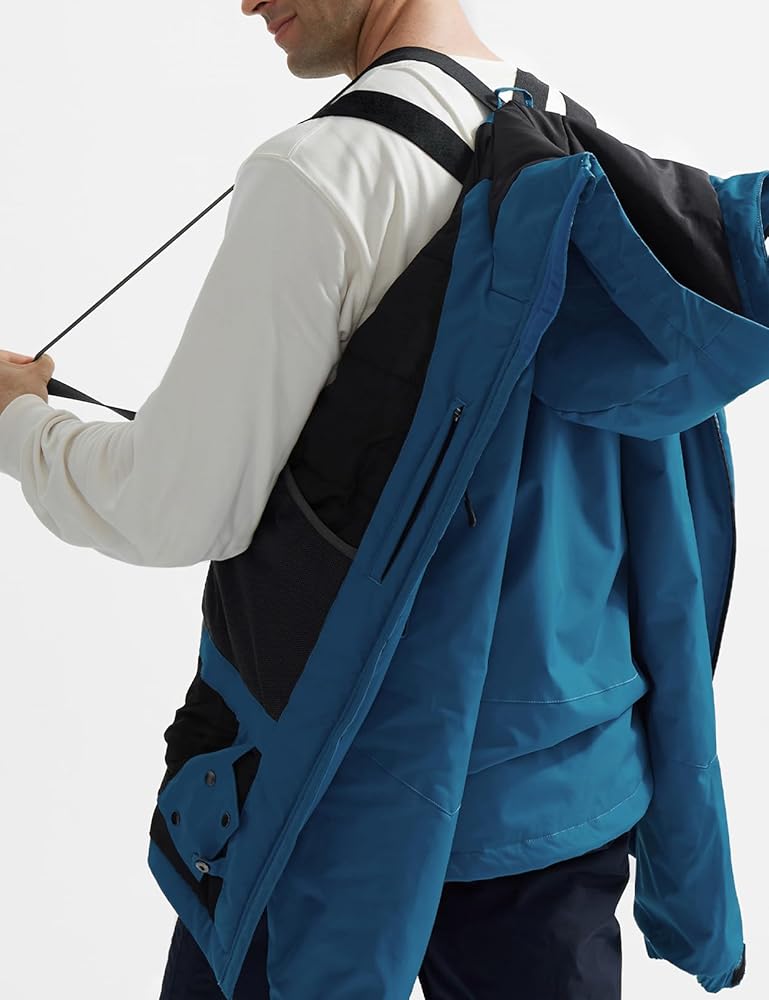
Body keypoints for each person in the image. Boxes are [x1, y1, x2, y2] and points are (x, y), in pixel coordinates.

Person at [0, 2, 635, 998]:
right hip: (556, 776)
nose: (245, 0)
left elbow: (174, 505)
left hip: (335, 781)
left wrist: (20, 424)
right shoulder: (578, 137)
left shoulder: (327, 171)